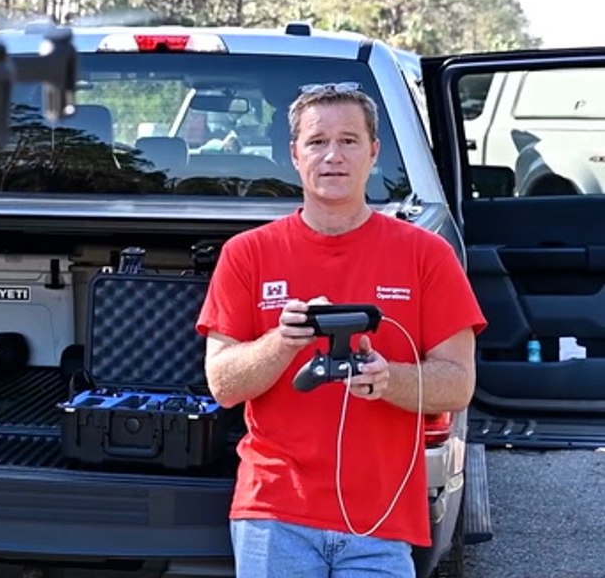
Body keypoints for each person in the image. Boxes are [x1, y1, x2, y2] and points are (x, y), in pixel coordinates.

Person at [196, 82, 488, 577]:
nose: (333, 155)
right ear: (294, 154)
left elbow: (458, 384)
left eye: (349, 140)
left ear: (374, 151)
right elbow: (223, 384)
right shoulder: (247, 253)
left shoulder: (426, 256)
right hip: (274, 513)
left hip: (381, 520)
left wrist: (388, 379)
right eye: (317, 141)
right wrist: (282, 342)